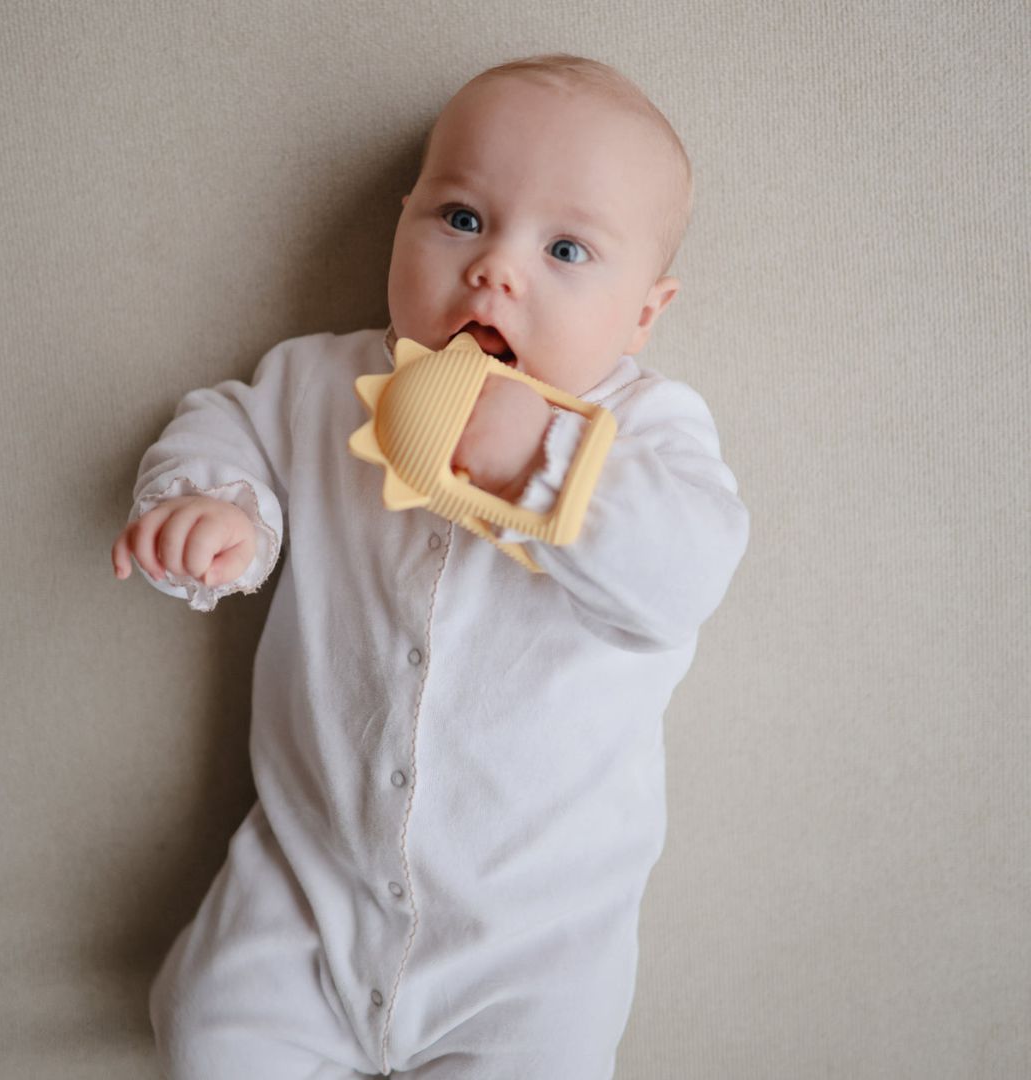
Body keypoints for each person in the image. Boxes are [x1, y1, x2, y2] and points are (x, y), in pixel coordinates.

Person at [112, 53, 749, 1080]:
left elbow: (688, 576)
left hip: (531, 945)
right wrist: (211, 504)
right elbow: (222, 424)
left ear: (644, 311)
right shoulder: (322, 379)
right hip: (310, 890)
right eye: (461, 218)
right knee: (206, 1032)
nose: (498, 269)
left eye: (569, 248)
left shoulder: (644, 431)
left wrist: (544, 458)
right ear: (403, 219)